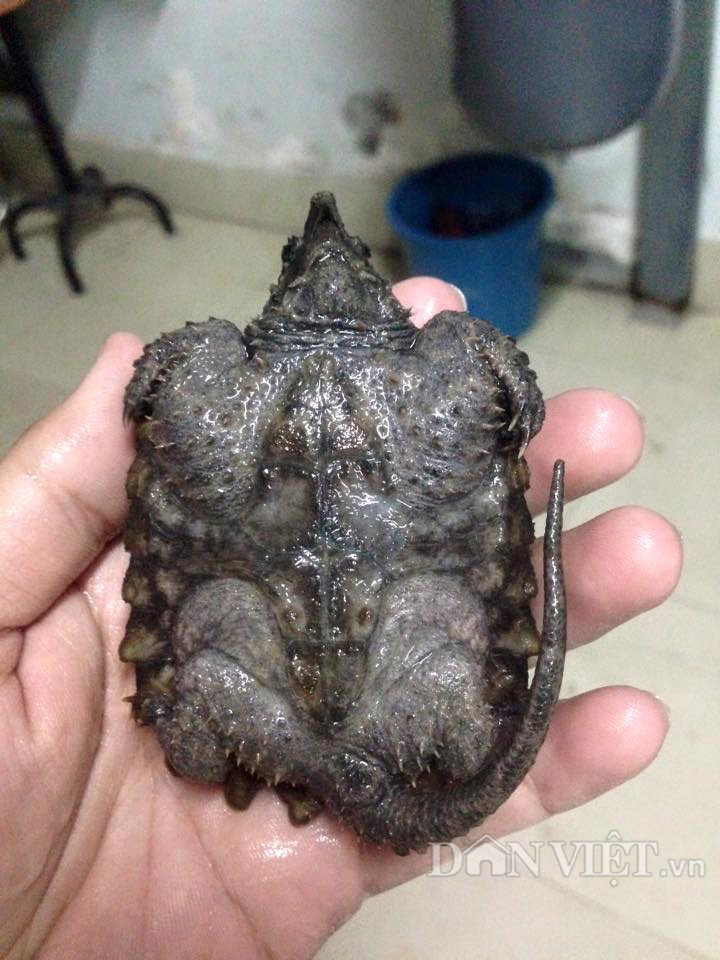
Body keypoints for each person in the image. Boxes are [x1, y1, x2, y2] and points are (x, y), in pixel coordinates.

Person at [0, 279, 681, 959]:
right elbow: (491, 393)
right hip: (345, 690)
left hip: (270, 707)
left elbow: (155, 393)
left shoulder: (217, 378)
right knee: (457, 717)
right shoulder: (431, 381)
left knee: (199, 740)